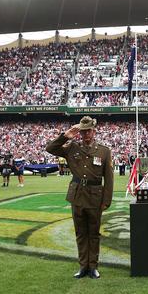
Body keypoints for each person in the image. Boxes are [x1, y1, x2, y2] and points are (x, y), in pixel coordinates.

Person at [46, 116, 113, 279]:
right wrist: (65, 136)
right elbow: (50, 148)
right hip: (77, 196)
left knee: (94, 233)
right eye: (83, 131)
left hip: (95, 197)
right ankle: (83, 267)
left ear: (94, 131)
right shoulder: (71, 147)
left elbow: (109, 178)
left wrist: (106, 201)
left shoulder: (104, 151)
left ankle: (93, 267)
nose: (85, 134)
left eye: (88, 131)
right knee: (80, 233)